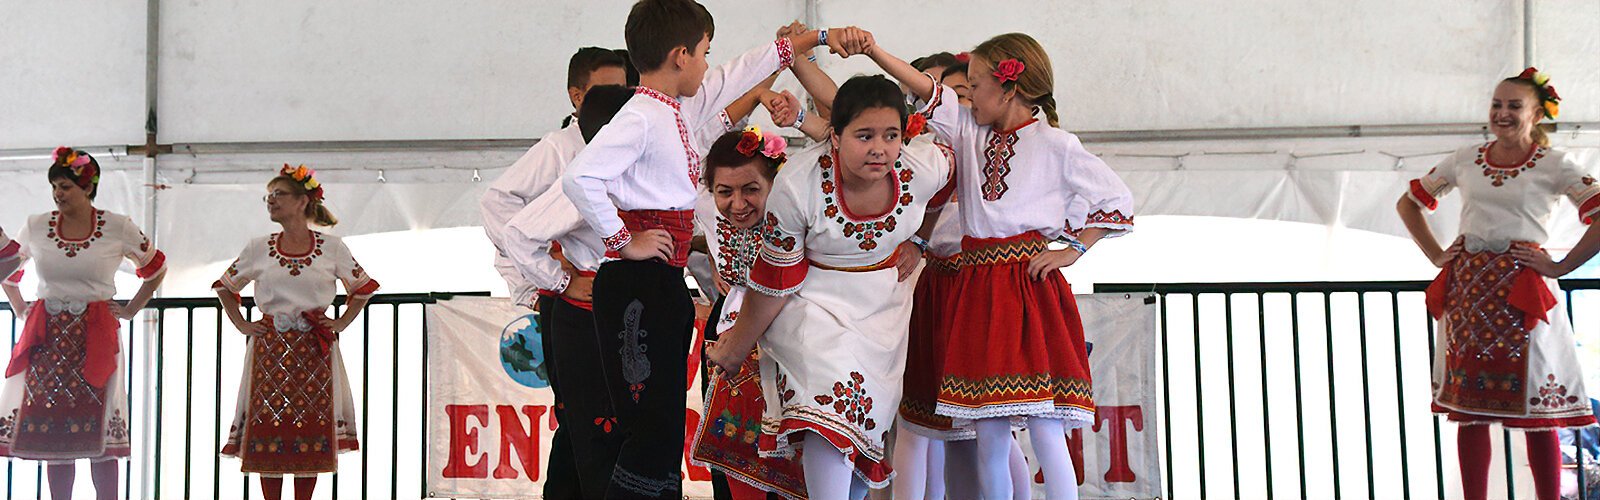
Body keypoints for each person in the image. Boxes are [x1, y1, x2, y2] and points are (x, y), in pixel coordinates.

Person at [559, 1, 841, 495]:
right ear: (681, 55)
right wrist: (624, 241)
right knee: (649, 431)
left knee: (664, 428)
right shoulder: (642, 116)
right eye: (705, 52)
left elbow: (737, 74)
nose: (710, 64)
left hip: (661, 281)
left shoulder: (675, 108)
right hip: (636, 284)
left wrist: (807, 42)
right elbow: (579, 176)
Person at [865, 32, 1136, 500]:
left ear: (1008, 88)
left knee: (1045, 424)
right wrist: (873, 51)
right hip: (978, 288)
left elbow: (1117, 201)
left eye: (975, 84)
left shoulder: (1057, 144)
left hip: (1028, 285)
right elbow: (929, 92)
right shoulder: (969, 132)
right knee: (989, 429)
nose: (966, 96)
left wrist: (1071, 249)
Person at [706, 74, 956, 500]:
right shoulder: (797, 184)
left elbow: (950, 175)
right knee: (827, 412)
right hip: (812, 303)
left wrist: (919, 239)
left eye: (891, 135)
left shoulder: (920, 168)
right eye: (864, 135)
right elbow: (775, 280)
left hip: (885, 311)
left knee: (861, 434)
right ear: (835, 137)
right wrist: (735, 346)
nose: (879, 148)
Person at [1397, 67, 1599, 500]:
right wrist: (1436, 255)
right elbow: (1410, 203)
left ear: (1536, 114)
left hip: (1523, 292)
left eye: (1513, 105)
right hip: (1470, 292)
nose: (1501, 113)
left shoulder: (1554, 164)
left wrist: (1562, 266)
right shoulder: (1466, 158)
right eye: (1496, 104)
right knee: (1469, 410)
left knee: (1536, 413)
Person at [0, 147, 165, 500]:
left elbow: (155, 268)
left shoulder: (117, 226)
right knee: (53, 425)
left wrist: (133, 309)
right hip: (48, 339)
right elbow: (10, 270)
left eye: (66, 187)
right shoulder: (37, 225)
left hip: (96, 334)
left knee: (101, 425)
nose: (59, 194)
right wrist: (22, 311)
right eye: (55, 187)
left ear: (88, 187)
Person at [500, 84, 633, 498]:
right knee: (595, 436)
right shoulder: (579, 178)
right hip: (585, 315)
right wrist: (559, 279)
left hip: (630, 317)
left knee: (631, 438)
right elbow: (515, 229)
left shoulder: (638, 177)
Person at [215, 165, 379, 500]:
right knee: (269, 427)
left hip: (314, 349)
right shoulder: (258, 247)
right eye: (268, 196)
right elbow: (225, 287)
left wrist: (342, 321)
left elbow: (362, 287)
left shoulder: (332, 248)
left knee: (310, 426)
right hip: (271, 349)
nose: (271, 201)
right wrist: (242, 325)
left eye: (279, 194)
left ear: (303, 201)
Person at [690, 128, 808, 500]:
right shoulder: (707, 211)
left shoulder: (798, 219)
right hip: (729, 342)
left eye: (751, 190)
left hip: (788, 347)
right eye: (725, 192)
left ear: (776, 184)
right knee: (733, 469)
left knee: (792, 466)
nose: (737, 204)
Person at [481, 47, 628, 311]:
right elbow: (497, 202)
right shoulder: (560, 146)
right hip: (578, 292)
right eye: (605, 91)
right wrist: (551, 273)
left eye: (622, 90)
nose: (617, 99)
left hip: (620, 288)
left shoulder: (627, 144)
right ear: (577, 96)